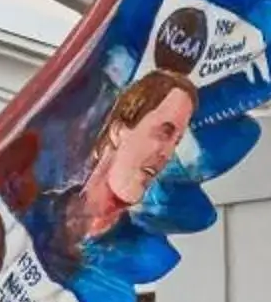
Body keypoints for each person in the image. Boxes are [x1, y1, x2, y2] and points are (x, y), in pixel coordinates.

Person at [64, 69, 197, 246]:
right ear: (118, 131)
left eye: (176, 142)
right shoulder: (40, 211)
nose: (168, 154)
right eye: (165, 133)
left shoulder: (139, 251)